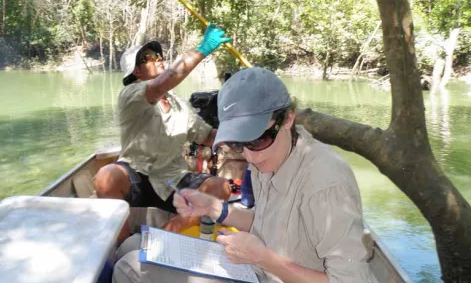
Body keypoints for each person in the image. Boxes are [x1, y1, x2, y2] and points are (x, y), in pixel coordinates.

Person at [112, 67, 375, 283]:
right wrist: (216, 210)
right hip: (255, 269)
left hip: (268, 271)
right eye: (238, 144)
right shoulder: (272, 156)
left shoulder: (326, 180)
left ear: (287, 119)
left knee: (128, 268)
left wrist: (263, 259)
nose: (249, 157)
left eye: (258, 139)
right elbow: (266, 222)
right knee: (129, 247)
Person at [93, 23, 233, 242]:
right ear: (136, 71)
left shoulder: (179, 104)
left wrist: (240, 130)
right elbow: (163, 82)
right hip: (136, 173)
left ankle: (165, 238)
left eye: (157, 54)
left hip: (174, 177)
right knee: (106, 177)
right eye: (147, 57)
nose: (157, 58)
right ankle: (120, 245)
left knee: (220, 187)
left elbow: (206, 136)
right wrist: (203, 49)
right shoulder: (130, 95)